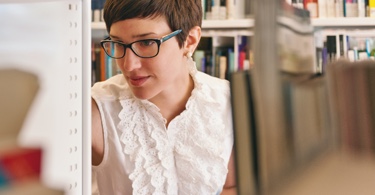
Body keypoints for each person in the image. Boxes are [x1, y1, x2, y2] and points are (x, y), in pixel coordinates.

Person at [91, 0, 236, 194]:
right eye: (118, 44)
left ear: (190, 40)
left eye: (146, 43)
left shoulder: (230, 102)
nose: (128, 65)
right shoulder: (94, 109)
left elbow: (231, 187)